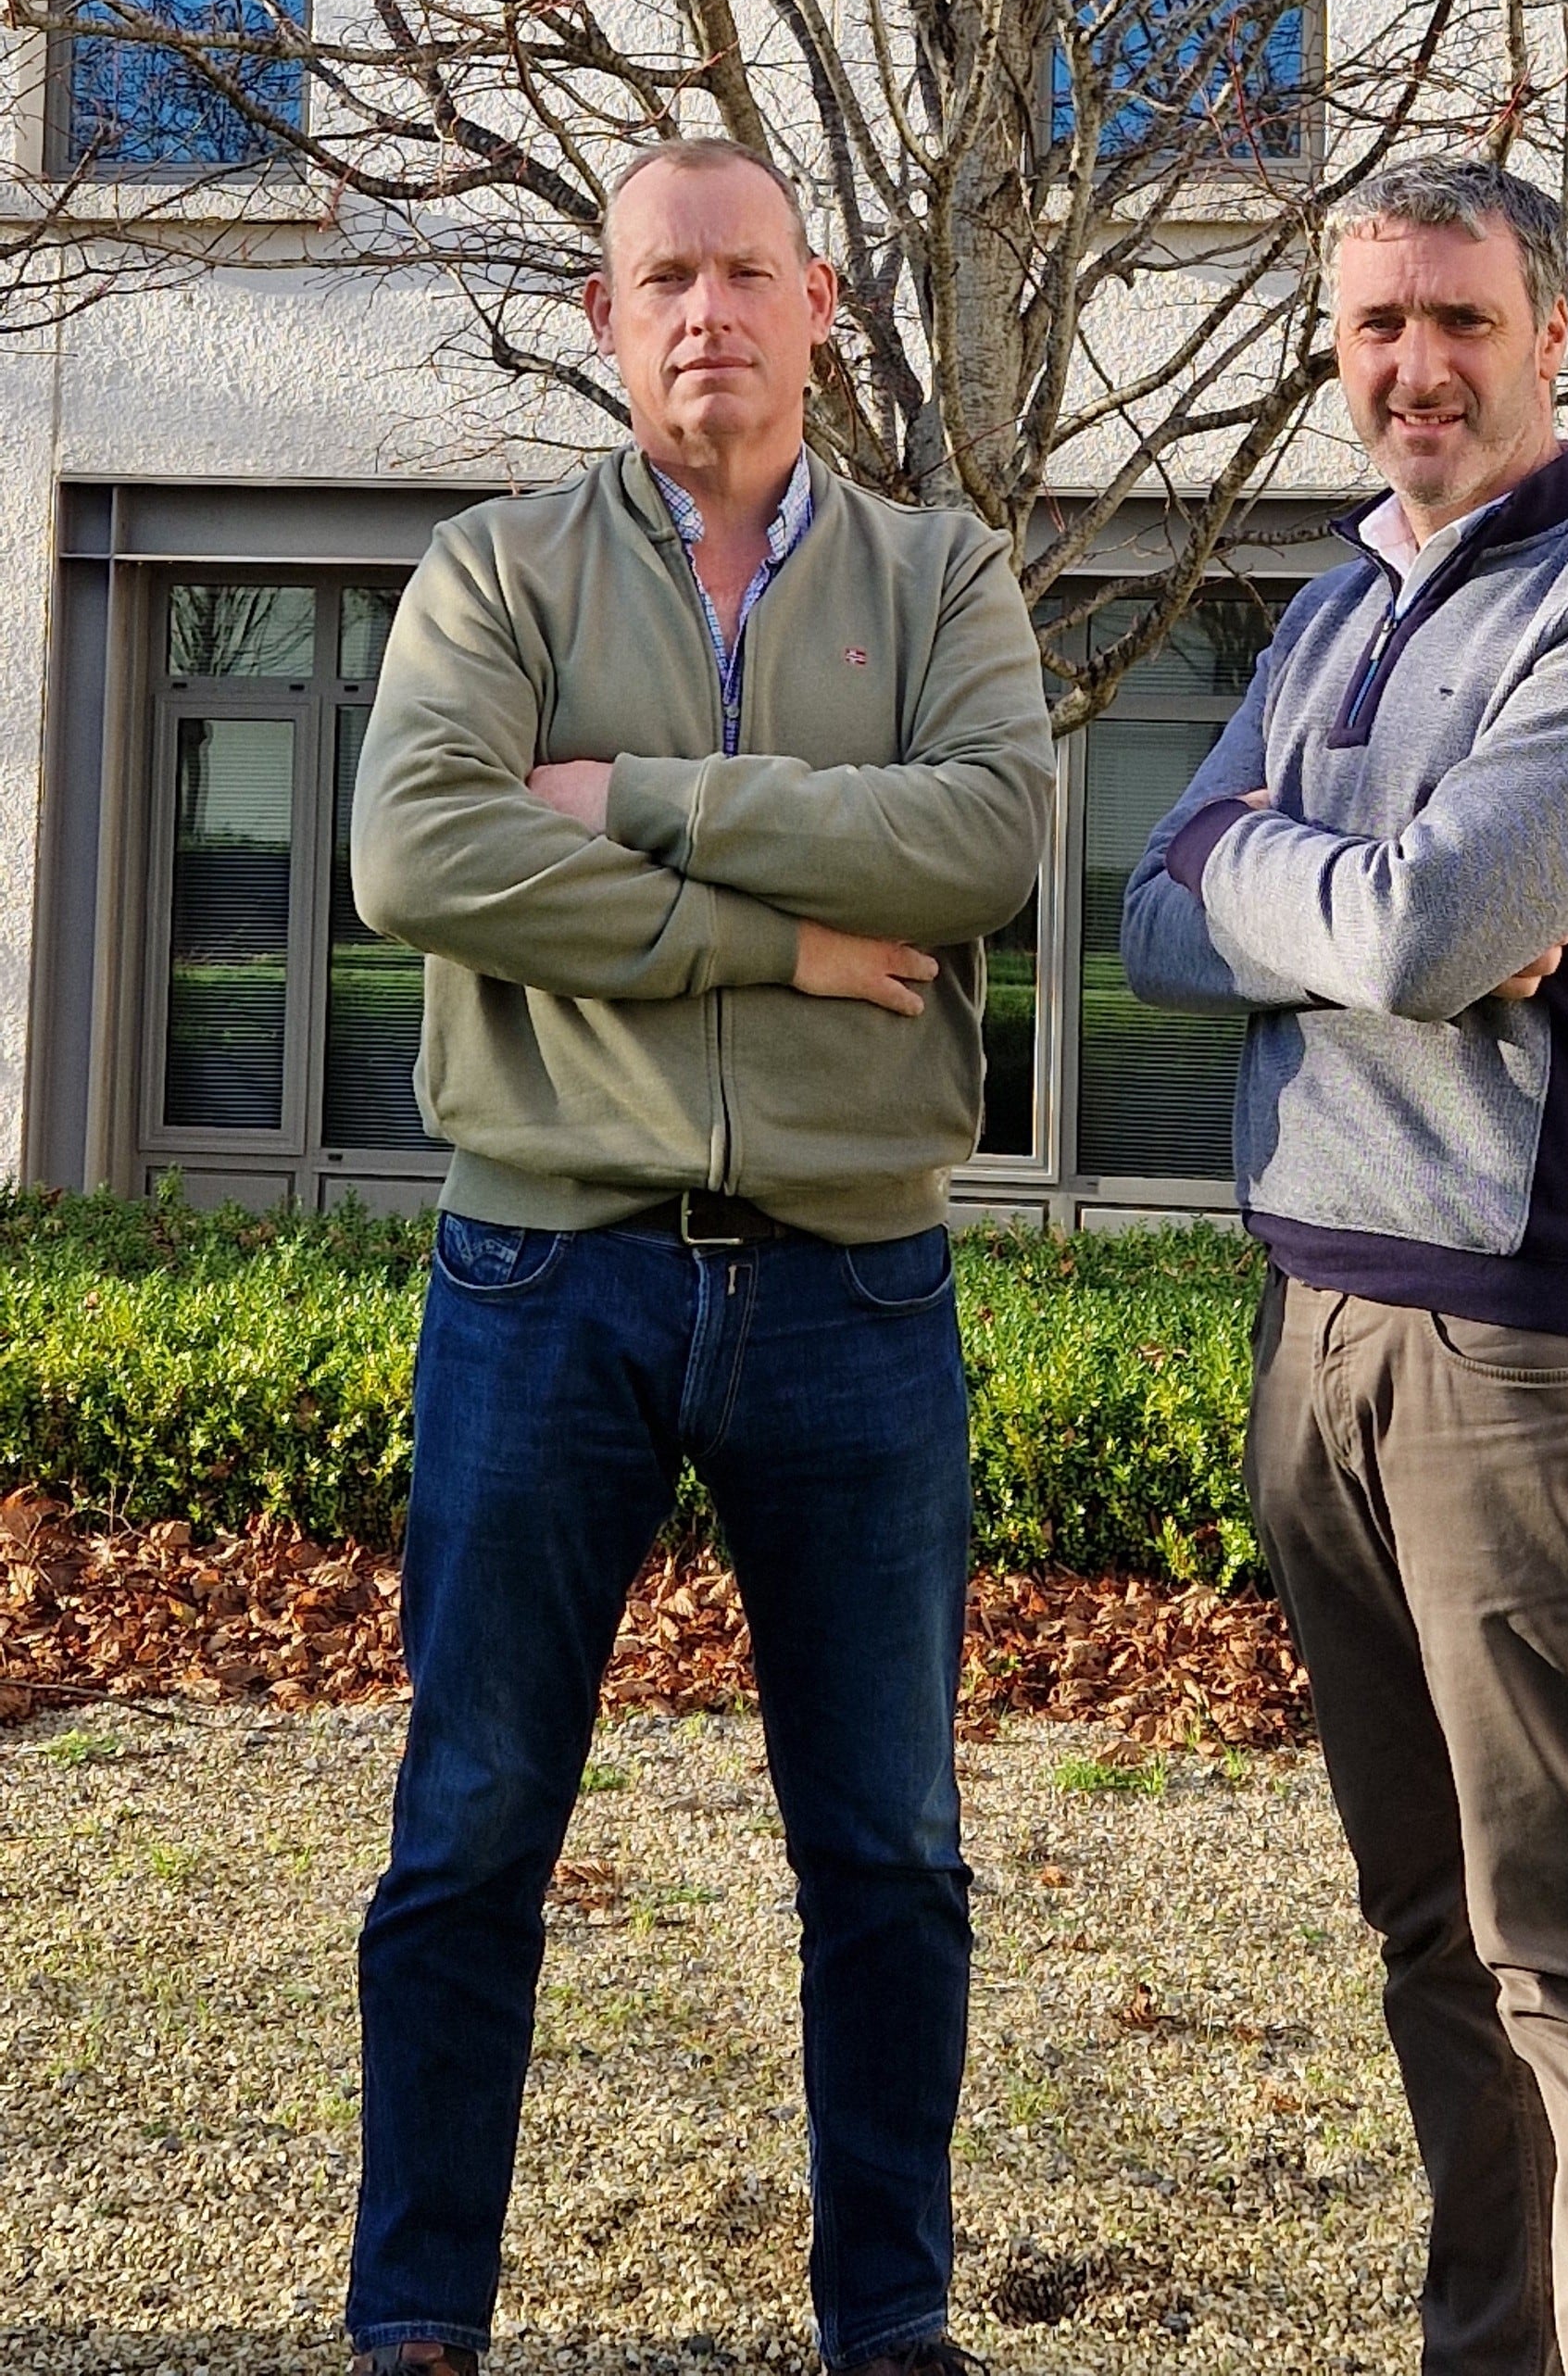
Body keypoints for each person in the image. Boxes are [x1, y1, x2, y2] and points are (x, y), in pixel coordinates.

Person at [344, 137, 1053, 2376]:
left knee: (892, 1845)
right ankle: (417, 2314)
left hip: (851, 1285)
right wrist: (768, 932)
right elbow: (414, 849)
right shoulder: (495, 563)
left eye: (748, 270)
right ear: (600, 308)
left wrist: (634, 793)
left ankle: (892, 2316)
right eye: (665, 274)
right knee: (467, 1827)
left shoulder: (948, 576)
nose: (706, 313)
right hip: (546, 1271)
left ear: (821, 300)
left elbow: (989, 837)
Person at [1123, 155, 1568, 2376]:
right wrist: (1362, 898)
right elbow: (1150, 909)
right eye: (1375, 322)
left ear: (1549, 329)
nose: (1414, 362)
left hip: (1519, 1335)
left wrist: (1321, 891)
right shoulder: (1328, 603)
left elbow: (1409, 927)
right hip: (1318, 1310)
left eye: (1459, 318)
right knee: (1427, 1934)